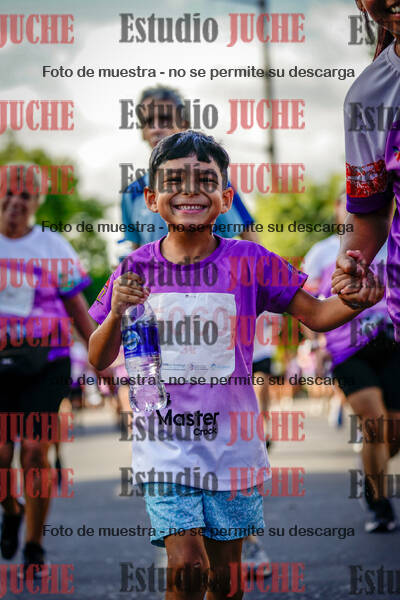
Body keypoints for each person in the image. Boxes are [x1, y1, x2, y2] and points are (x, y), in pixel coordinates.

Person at [88, 131, 383, 600]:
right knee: (187, 566)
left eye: (205, 180)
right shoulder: (135, 270)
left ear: (226, 199)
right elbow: (98, 355)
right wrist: (116, 315)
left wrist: (358, 300)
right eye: (174, 181)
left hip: (233, 446)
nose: (190, 190)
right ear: (151, 199)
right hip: (165, 447)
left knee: (225, 581)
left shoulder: (250, 261)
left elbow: (317, 314)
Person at [0, 165, 96, 577]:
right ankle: (11, 508)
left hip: (46, 360)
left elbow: (78, 308)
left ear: (37, 201)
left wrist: (101, 358)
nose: (15, 202)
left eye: (25, 195)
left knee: (35, 449)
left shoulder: (52, 246)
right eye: (8, 193)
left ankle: (34, 544)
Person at [307, 193, 398, 531]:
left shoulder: (393, 243)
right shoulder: (323, 252)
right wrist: (316, 345)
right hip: (346, 347)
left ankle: (370, 469)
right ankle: (380, 505)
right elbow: (308, 302)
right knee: (374, 422)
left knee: (393, 428)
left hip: (392, 342)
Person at [121, 85, 260, 250]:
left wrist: (260, 265)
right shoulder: (132, 193)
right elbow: (136, 250)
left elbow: (248, 235)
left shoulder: (211, 181)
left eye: (165, 120)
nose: (156, 129)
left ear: (184, 125)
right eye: (148, 122)